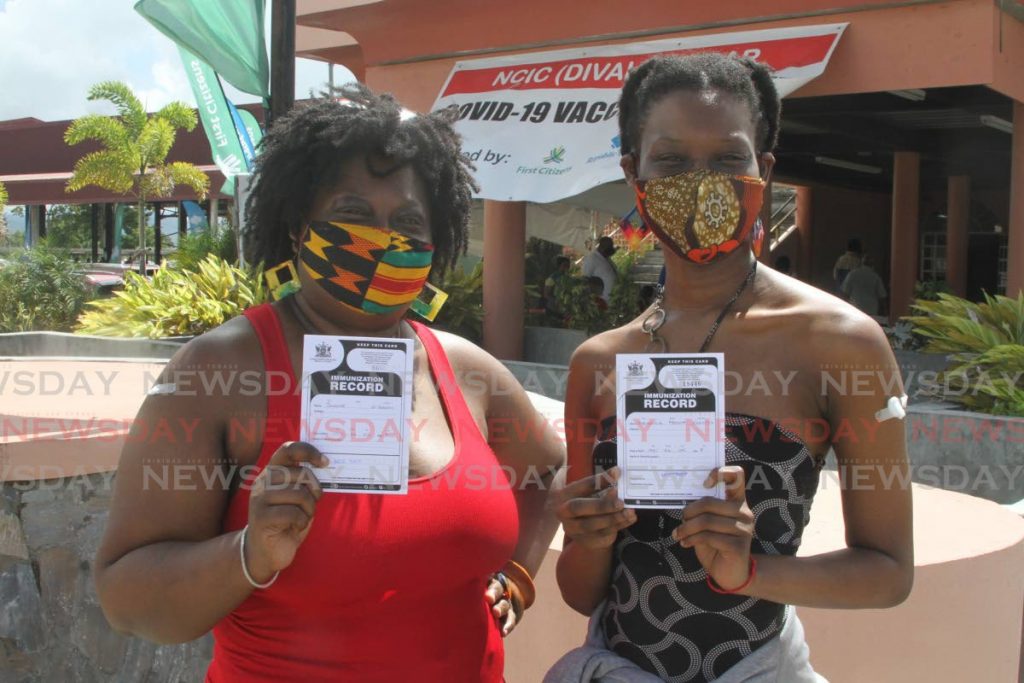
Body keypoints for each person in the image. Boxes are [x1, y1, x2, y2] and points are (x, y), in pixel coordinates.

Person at [94, 85, 565, 682]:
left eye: (408, 223)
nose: (383, 240)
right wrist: (249, 553)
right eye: (353, 215)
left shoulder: (466, 369)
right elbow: (127, 600)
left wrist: (518, 578)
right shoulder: (219, 372)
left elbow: (549, 468)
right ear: (297, 227)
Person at [550, 53, 913, 682]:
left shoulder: (839, 343)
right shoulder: (599, 364)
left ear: (763, 171)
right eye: (670, 161)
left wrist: (750, 572)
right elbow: (584, 594)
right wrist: (588, 537)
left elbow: (887, 572)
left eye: (727, 159)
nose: (700, 181)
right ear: (634, 174)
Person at [583, 235, 618, 302]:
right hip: (603, 301)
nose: (611, 249)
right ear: (602, 247)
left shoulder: (607, 258)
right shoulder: (591, 258)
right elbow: (585, 279)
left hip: (614, 299)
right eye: (609, 247)